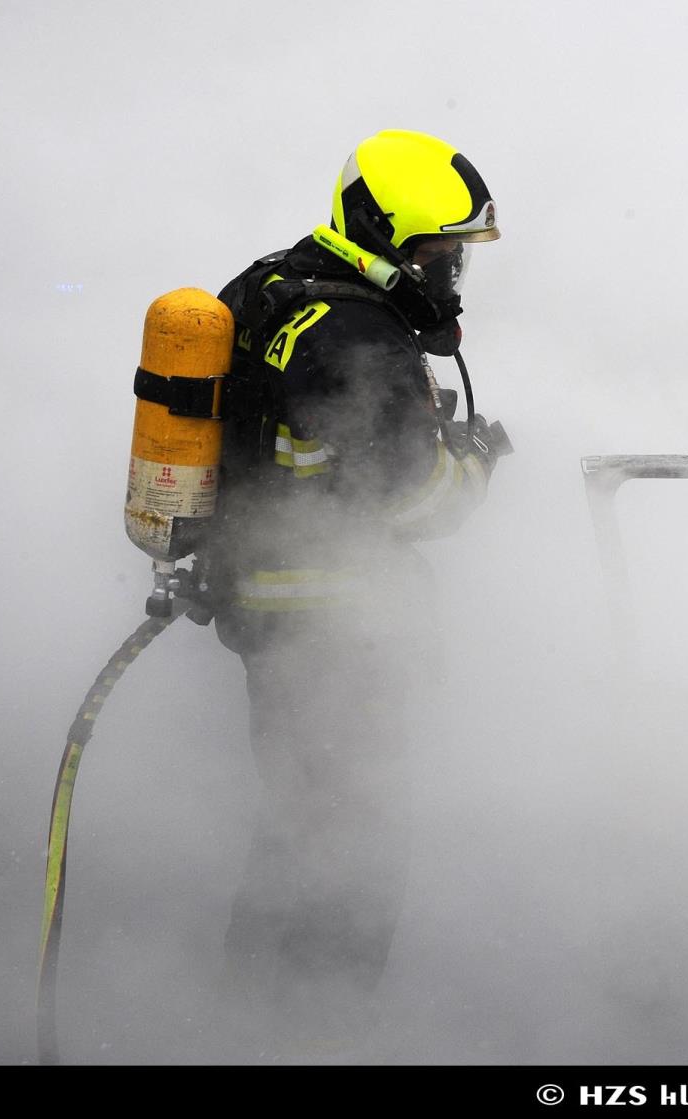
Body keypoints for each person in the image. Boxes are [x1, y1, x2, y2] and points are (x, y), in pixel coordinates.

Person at [201, 129, 506, 1048]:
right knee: (352, 849)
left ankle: (243, 1024)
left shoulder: (273, 286)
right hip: (332, 634)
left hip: (270, 614)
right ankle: (310, 1036)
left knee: (296, 829)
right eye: (442, 254)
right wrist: (474, 463)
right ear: (393, 242)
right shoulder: (360, 341)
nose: (452, 274)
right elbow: (420, 500)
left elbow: (294, 437)